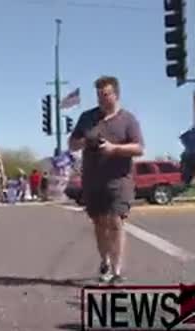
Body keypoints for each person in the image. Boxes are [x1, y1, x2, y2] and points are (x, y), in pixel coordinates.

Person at [67, 75, 144, 284]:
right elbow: (72, 144)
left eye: (106, 94)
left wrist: (114, 149)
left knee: (116, 222)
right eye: (99, 94)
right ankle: (105, 262)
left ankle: (117, 271)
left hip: (119, 181)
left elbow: (138, 148)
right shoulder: (87, 117)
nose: (101, 98)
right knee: (100, 223)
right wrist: (84, 141)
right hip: (93, 181)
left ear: (116, 94)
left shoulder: (128, 120)